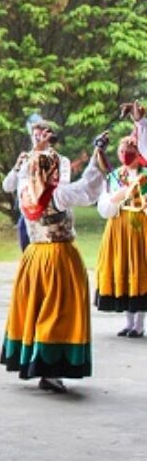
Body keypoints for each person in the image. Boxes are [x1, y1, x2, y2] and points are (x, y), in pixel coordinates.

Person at [1, 131, 108, 393]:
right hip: (58, 257)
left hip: (34, 257)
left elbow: (19, 177)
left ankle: (32, 361)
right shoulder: (57, 195)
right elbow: (89, 189)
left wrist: (35, 152)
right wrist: (97, 157)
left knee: (36, 308)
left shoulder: (26, 190)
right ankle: (50, 368)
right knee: (58, 311)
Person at [94, 134, 147, 336]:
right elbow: (105, 205)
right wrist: (119, 195)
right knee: (123, 269)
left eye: (130, 151)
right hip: (118, 227)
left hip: (140, 227)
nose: (126, 155)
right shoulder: (114, 176)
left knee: (139, 269)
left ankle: (139, 324)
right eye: (123, 151)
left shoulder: (145, 176)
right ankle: (129, 321)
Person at [2, 119, 71, 250]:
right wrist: (17, 167)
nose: (38, 140)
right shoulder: (25, 160)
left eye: (41, 136)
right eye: (35, 136)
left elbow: (62, 187)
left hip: (51, 216)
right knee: (29, 256)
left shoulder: (61, 160)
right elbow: (7, 187)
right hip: (27, 215)